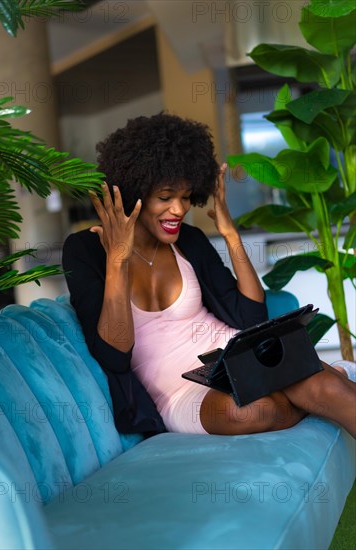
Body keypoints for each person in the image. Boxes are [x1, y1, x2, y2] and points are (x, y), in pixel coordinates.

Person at [62, 113, 356, 439]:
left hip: (233, 354)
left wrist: (230, 235)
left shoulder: (188, 240)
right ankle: (307, 394)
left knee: (329, 389)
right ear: (135, 193)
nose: (179, 209)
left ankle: (318, 391)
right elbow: (115, 356)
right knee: (250, 409)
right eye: (165, 197)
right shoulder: (85, 250)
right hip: (181, 389)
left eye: (186, 197)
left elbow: (250, 315)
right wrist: (118, 260)